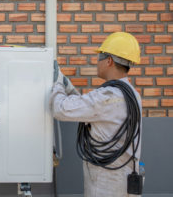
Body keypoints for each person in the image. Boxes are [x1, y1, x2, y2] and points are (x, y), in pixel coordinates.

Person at [50, 32, 142, 197]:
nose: (97, 62)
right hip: (125, 176)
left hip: (107, 184)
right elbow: (89, 110)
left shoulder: (107, 97)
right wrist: (67, 86)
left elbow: (60, 109)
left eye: (99, 57)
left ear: (109, 61)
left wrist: (56, 83)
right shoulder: (132, 95)